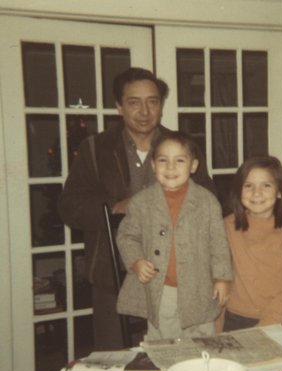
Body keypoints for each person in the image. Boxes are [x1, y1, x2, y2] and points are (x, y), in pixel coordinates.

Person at [58, 67, 215, 350]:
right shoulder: (95, 148)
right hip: (113, 272)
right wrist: (116, 207)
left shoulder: (183, 146)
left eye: (152, 101)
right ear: (119, 106)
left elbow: (209, 199)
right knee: (119, 361)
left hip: (176, 278)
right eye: (134, 102)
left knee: (178, 354)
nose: (144, 111)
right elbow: (69, 206)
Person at [116, 131, 233, 340]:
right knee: (164, 342)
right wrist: (136, 261)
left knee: (202, 339)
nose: (170, 168)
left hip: (199, 288)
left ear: (193, 166)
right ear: (153, 165)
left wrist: (222, 277)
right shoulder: (142, 202)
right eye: (163, 161)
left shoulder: (207, 201)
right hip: (162, 290)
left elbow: (219, 242)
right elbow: (126, 236)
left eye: (179, 161)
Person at [222, 156, 282, 331]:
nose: (257, 193)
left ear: (279, 192)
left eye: (266, 185)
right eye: (248, 186)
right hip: (234, 320)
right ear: (239, 191)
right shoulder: (226, 226)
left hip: (279, 319)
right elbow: (217, 278)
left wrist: (263, 327)